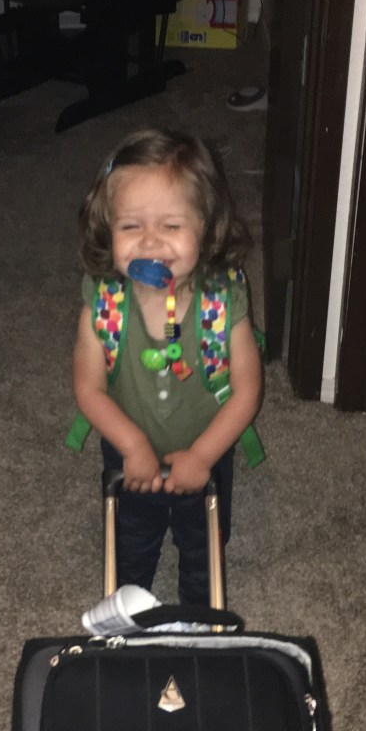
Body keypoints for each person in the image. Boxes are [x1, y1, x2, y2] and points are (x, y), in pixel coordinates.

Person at [71, 128, 263, 605]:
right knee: (131, 542)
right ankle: (129, 613)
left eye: (172, 226)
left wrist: (202, 456)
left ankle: (199, 620)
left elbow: (246, 391)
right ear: (107, 228)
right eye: (130, 226)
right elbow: (89, 388)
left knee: (204, 549)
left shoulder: (222, 300)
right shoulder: (105, 302)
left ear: (207, 227)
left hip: (205, 449)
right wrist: (132, 445)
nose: (150, 242)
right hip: (127, 449)